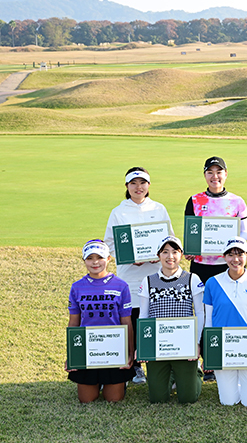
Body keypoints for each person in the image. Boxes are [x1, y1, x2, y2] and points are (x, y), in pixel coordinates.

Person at [104, 167, 174, 385]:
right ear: (126, 186)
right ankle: (134, 366)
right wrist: (128, 257)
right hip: (129, 276)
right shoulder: (119, 211)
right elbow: (109, 244)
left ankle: (160, 363)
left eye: (142, 183)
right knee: (132, 319)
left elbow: (170, 239)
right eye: (133, 183)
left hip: (156, 275)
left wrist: (160, 253)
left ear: (149, 186)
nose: (138, 187)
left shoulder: (159, 208)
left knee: (155, 318)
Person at [136, 236, 204, 404]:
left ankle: (196, 373)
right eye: (165, 252)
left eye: (175, 252)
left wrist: (196, 343)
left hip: (185, 345)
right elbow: (143, 316)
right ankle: (172, 374)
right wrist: (142, 346)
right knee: (158, 398)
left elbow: (201, 314)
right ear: (158, 255)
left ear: (181, 255)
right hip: (158, 346)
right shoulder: (148, 281)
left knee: (188, 398)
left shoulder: (192, 279)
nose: (170, 257)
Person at [202, 237, 247, 407]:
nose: (235, 259)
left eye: (240, 254)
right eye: (230, 254)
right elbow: (208, 320)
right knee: (228, 401)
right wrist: (210, 353)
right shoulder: (212, 283)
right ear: (224, 257)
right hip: (223, 349)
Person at [66, 240, 135, 403]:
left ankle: (116, 381)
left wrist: (130, 353)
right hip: (88, 349)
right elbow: (73, 323)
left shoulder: (121, 286)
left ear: (109, 259)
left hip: (114, 349)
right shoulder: (77, 287)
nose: (95, 262)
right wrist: (72, 355)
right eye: (90, 258)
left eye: (100, 257)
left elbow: (127, 322)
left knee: (113, 399)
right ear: (84, 260)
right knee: (87, 400)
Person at [183, 156, 247, 284]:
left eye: (219, 172)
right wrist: (190, 248)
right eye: (210, 173)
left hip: (229, 263)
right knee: (202, 302)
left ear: (226, 174)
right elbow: (190, 232)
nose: (215, 176)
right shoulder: (194, 200)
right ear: (205, 175)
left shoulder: (237, 201)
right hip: (201, 264)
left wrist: (231, 248)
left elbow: (244, 232)